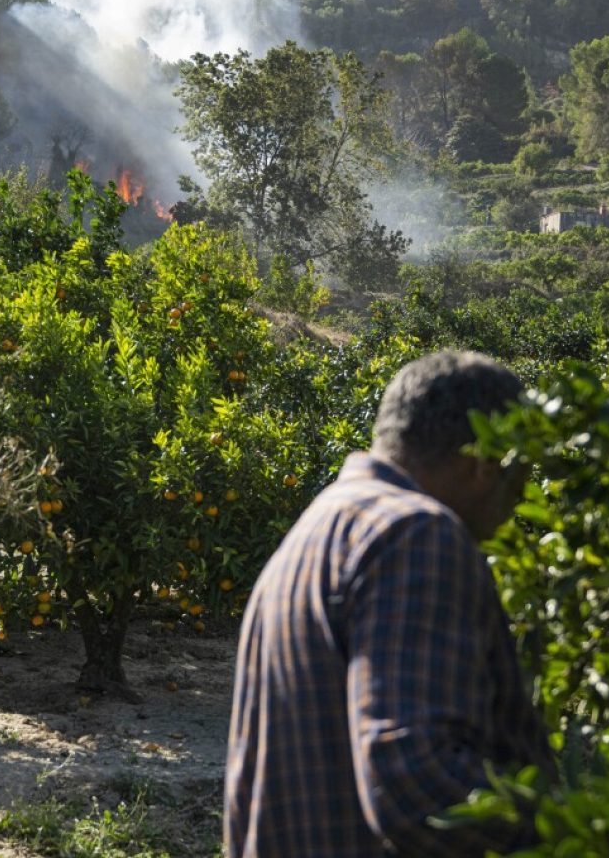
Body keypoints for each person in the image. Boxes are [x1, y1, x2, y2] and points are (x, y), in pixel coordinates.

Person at [224, 350, 554, 857]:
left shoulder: (320, 528)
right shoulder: (416, 533)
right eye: (522, 474)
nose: (522, 498)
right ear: (488, 463)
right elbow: (414, 778)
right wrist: (574, 830)